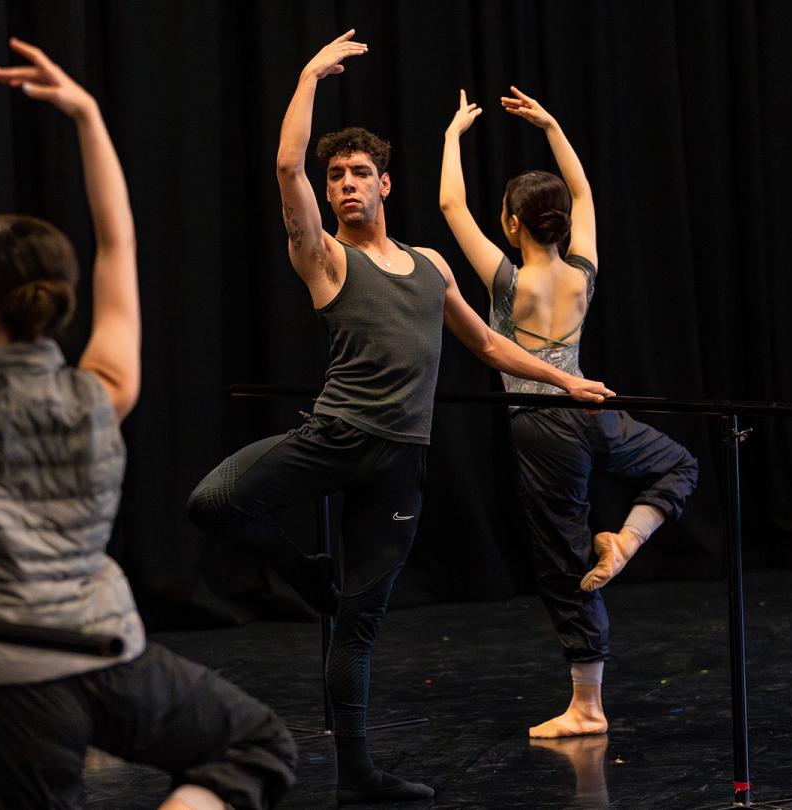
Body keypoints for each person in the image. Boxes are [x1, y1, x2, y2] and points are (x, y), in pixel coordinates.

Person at [0, 40, 295, 810]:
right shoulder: (107, 390)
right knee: (257, 745)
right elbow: (119, 241)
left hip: (11, 684)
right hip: (103, 651)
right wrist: (88, 114)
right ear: (59, 299)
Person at [186, 31, 614, 804]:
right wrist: (310, 73)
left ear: (385, 182)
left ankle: (357, 779)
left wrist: (564, 384)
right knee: (212, 501)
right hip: (335, 438)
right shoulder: (324, 259)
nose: (346, 184)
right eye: (336, 176)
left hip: (400, 462)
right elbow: (286, 166)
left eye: (358, 173)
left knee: (360, 628)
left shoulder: (430, 265)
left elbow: (486, 341)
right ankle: (310, 578)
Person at [439, 88, 698, 738]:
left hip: (542, 427)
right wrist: (553, 123)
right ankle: (631, 539)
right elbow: (582, 193)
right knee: (679, 464)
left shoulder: (506, 280)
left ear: (513, 224)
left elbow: (449, 205)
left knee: (563, 559)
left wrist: (451, 138)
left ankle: (587, 705)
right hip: (592, 409)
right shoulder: (583, 271)